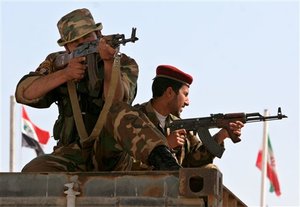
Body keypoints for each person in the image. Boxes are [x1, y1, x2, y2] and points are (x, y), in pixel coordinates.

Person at [15, 8, 180, 172]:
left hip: (110, 153)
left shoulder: (125, 63)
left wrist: (109, 63)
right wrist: (65, 74)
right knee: (33, 170)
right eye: (76, 43)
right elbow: (24, 93)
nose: (85, 45)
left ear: (99, 34)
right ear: (67, 48)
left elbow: (117, 102)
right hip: (71, 154)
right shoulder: (56, 62)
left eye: (88, 37)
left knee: (118, 111)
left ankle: (167, 165)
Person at [133, 65, 244, 170]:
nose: (187, 102)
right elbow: (127, 164)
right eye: (185, 94)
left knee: (210, 170)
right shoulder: (134, 119)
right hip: (139, 187)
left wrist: (222, 135)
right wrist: (165, 146)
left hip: (174, 185)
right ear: (170, 92)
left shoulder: (177, 123)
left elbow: (194, 160)